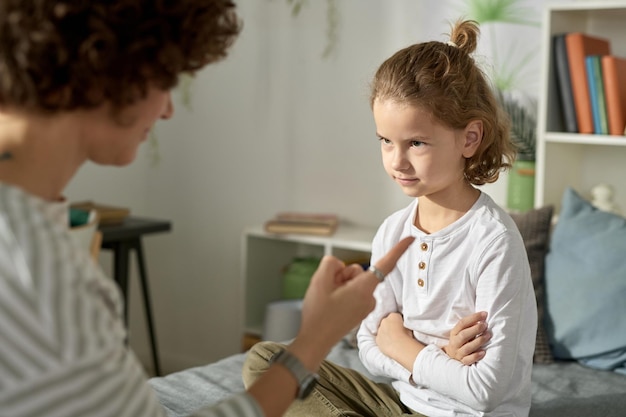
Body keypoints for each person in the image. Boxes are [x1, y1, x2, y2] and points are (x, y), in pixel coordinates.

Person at [0, 1, 415, 416]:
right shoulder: (42, 268)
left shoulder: (33, 239)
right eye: (165, 81)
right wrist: (316, 336)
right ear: (109, 71)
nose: (167, 109)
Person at [243, 20, 537, 417]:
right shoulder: (392, 232)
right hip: (403, 402)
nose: (397, 161)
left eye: (416, 143)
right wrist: (438, 356)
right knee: (266, 360)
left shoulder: (494, 241)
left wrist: (401, 345)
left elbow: (485, 390)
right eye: (385, 141)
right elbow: (367, 346)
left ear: (469, 139)